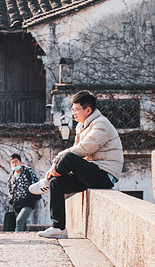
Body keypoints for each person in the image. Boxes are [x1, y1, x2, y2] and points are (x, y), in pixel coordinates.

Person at [29, 90, 123, 239]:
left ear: (88, 110)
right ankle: (58, 228)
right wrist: (56, 165)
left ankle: (45, 181)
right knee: (56, 183)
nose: (73, 113)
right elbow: (77, 151)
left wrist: (57, 160)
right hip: (92, 173)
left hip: (104, 176)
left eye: (76, 109)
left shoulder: (101, 124)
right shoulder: (82, 126)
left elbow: (83, 149)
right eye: (72, 109)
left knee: (68, 158)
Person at [7, 154, 41, 232]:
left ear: (21, 162)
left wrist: (31, 196)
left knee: (19, 220)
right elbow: (9, 188)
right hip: (17, 204)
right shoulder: (11, 176)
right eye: (12, 162)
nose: (15, 164)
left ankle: (17, 237)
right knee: (22, 225)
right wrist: (11, 199)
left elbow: (36, 184)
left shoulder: (28, 171)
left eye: (16, 161)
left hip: (28, 202)